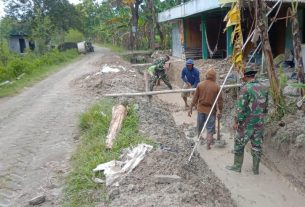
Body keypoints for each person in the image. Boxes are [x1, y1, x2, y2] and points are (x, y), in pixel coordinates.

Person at [226, 67, 268, 175]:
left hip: (247, 123)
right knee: (257, 145)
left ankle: (237, 166)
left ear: (245, 76)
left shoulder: (246, 88)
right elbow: (265, 106)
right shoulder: (263, 87)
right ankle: (255, 170)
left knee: (239, 143)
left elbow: (241, 108)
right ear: (254, 75)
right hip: (260, 122)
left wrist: (236, 121)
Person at [188, 69, 223, 150]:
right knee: (210, 128)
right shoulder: (216, 86)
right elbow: (220, 101)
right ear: (214, 77)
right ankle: (208, 145)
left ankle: (199, 138)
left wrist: (190, 108)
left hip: (200, 109)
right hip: (211, 111)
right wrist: (220, 111)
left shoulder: (200, 85)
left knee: (200, 125)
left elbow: (195, 98)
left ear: (206, 76)